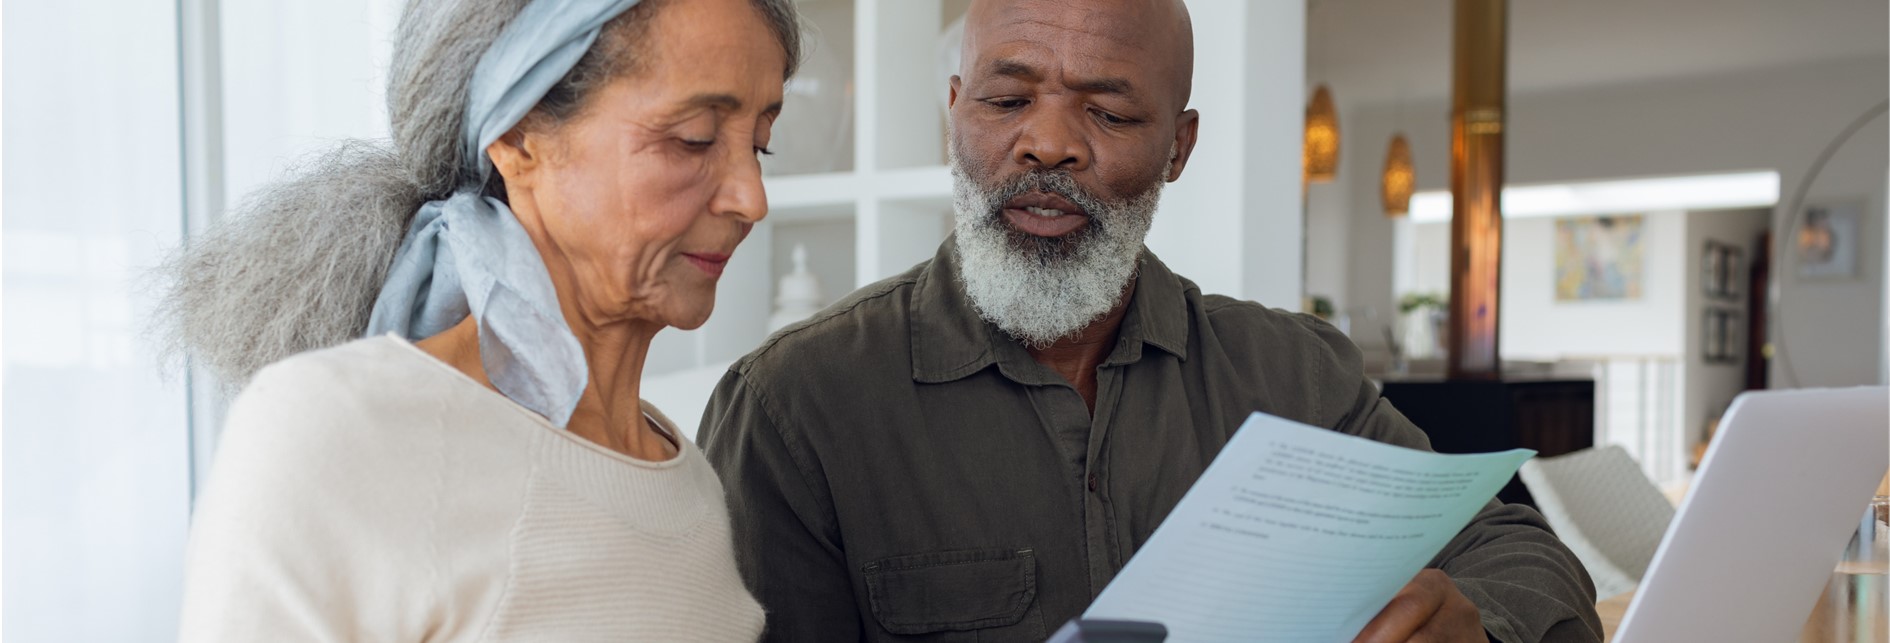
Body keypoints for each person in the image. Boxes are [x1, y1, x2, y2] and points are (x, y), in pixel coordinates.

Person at [697, 1, 1603, 641]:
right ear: (954, 114)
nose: (1047, 143)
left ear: (1179, 145)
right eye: (1007, 100)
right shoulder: (797, 407)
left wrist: (1475, 623)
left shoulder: (1293, 375)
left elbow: (1522, 552)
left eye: (1109, 111)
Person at [160, 0, 800, 639]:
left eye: (760, 145)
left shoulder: (689, 487)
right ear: (519, 137)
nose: (751, 197)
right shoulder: (340, 431)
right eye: (694, 138)